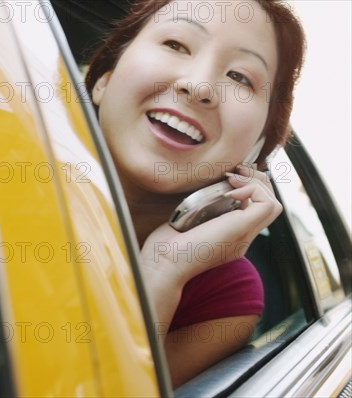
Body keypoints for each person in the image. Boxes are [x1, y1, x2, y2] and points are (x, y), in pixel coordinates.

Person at [85, 0, 305, 387]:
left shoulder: (227, 296)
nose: (200, 86)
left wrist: (162, 270)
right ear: (103, 77)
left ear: (256, 147)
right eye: (176, 44)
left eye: (240, 77)